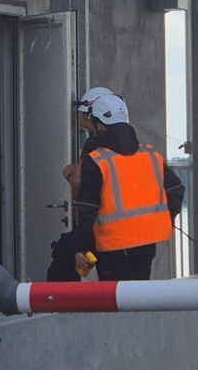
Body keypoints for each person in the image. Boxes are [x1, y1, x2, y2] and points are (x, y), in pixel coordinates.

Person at [67, 93, 184, 281]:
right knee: (139, 299)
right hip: (146, 243)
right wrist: (163, 220)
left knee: (115, 301)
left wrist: (81, 247)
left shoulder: (97, 160)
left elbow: (87, 208)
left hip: (112, 246)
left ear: (98, 123)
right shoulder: (150, 154)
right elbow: (176, 190)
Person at [45, 86, 121, 282]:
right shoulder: (127, 146)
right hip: (117, 231)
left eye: (85, 116)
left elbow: (84, 191)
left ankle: (61, 307)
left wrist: (71, 175)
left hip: (103, 227)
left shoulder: (96, 145)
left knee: (65, 260)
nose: (82, 122)